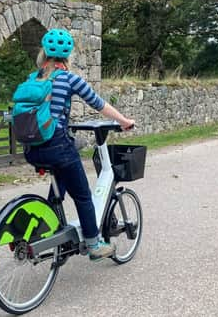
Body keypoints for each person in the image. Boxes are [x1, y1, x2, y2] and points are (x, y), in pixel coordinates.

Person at [23, 28, 135, 261]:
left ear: (43, 55)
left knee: (60, 181)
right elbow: (99, 104)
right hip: (57, 146)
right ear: (68, 57)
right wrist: (123, 121)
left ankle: (49, 227)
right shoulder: (69, 78)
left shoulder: (32, 78)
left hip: (32, 148)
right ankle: (94, 245)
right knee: (83, 196)